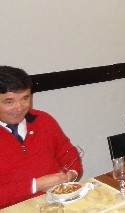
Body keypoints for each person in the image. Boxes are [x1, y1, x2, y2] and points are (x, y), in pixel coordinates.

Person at [0, 66, 82, 209]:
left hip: (58, 204)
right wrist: (36, 185)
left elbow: (69, 154)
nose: (19, 108)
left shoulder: (43, 120)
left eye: (25, 98)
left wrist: (71, 175)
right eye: (9, 101)